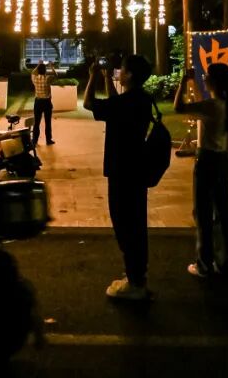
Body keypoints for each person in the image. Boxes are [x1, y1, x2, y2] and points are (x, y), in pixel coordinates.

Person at [83, 54, 154, 301]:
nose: (118, 73)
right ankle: (138, 277)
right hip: (137, 169)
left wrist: (92, 76)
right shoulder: (142, 99)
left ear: (130, 74)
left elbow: (88, 103)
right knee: (136, 224)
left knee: (124, 225)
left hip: (121, 170)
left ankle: (134, 284)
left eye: (121, 70)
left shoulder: (125, 103)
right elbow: (116, 103)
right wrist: (106, 80)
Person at [174, 62, 228, 277]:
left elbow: (179, 107)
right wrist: (192, 82)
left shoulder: (211, 106)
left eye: (207, 76)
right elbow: (202, 101)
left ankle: (204, 263)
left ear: (214, 81)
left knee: (202, 211)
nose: (204, 78)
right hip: (222, 159)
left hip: (207, 160)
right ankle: (225, 261)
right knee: (222, 211)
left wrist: (183, 82)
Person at [31, 61, 55, 145]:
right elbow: (56, 75)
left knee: (36, 122)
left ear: (38, 70)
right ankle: (48, 140)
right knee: (48, 122)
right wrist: (51, 67)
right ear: (45, 70)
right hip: (47, 102)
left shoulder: (35, 78)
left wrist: (38, 65)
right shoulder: (47, 79)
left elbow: (33, 72)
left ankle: (34, 140)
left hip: (38, 102)